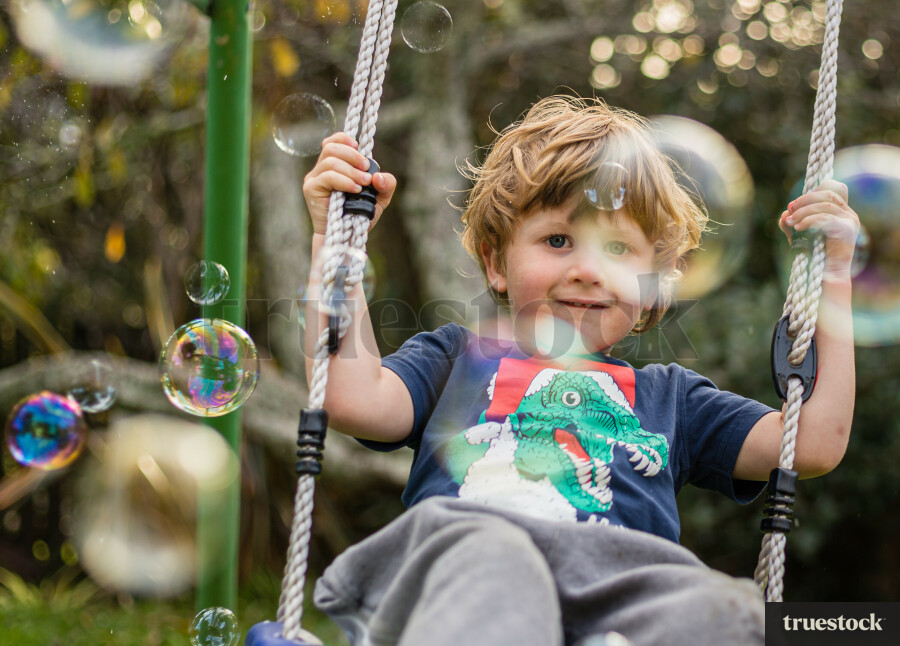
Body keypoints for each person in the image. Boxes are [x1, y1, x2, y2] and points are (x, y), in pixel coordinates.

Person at [299, 96, 859, 646]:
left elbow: (810, 443)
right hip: (467, 570)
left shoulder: (673, 401)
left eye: (617, 249)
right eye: (559, 240)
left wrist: (832, 274)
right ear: (496, 262)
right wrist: (335, 236)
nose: (589, 270)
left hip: (618, 586)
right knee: (496, 554)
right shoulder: (453, 361)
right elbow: (351, 397)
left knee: (731, 608)